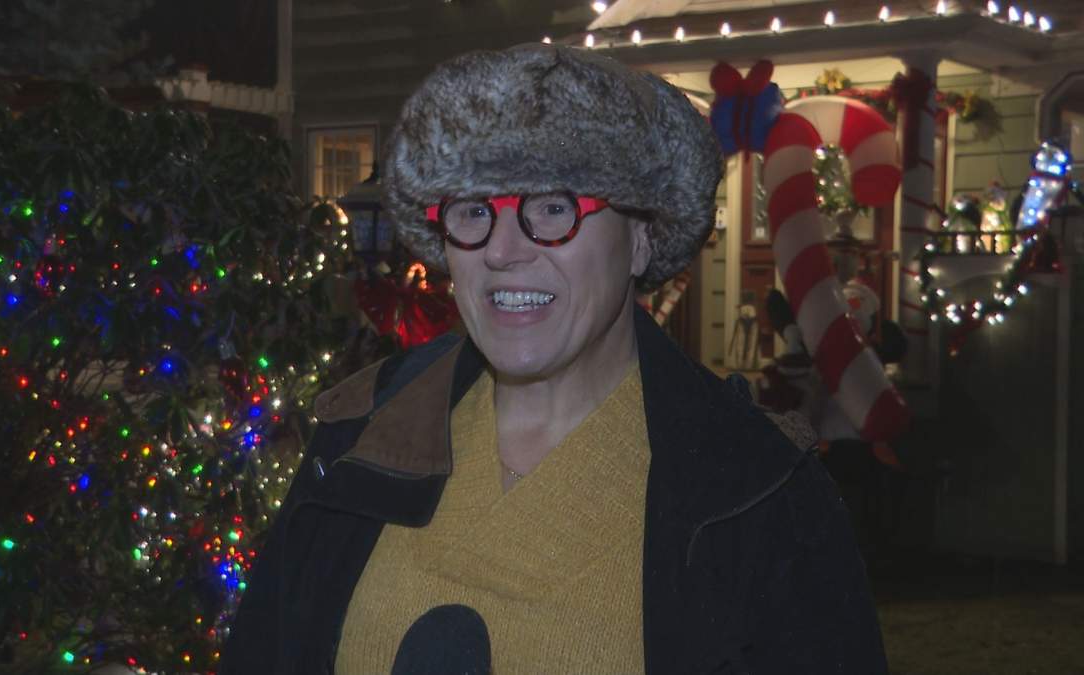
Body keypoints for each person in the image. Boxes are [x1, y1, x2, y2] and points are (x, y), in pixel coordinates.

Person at [222, 44, 887, 674]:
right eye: (475, 209)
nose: (504, 250)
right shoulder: (357, 438)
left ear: (640, 241)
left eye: (551, 206)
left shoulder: (759, 495)